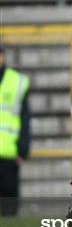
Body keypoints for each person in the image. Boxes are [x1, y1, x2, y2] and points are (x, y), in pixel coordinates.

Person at [0, 44, 31, 216]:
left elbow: (25, 118)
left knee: (9, 208)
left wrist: (23, 149)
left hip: (9, 155)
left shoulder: (17, 82)